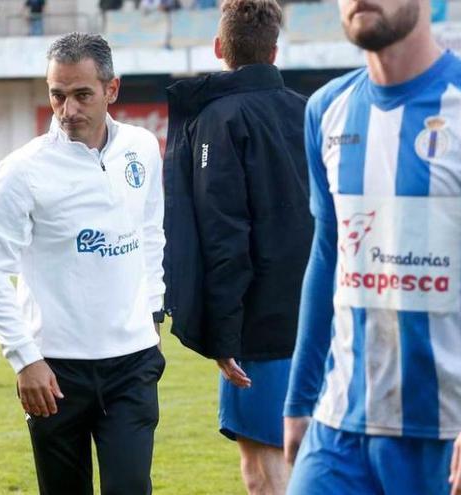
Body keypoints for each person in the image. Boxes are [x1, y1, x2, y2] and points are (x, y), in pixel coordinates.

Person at [283, 0, 461, 493]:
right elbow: (327, 256)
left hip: (455, 430)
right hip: (339, 426)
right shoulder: (326, 110)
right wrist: (298, 400)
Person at [0, 32, 166, 495]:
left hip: (132, 363)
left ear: (111, 90)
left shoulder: (141, 148)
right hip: (55, 372)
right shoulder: (22, 171)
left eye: (82, 95)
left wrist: (153, 311)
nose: (68, 110)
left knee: (131, 487)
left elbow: (150, 232)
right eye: (57, 95)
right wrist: (25, 360)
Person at [162, 0, 311, 493]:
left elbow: (224, 235)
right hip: (319, 319)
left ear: (219, 48)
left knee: (264, 469)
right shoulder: (308, 111)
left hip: (258, 327)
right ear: (274, 50)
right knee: (313, 456)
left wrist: (224, 336)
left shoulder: (220, 118)